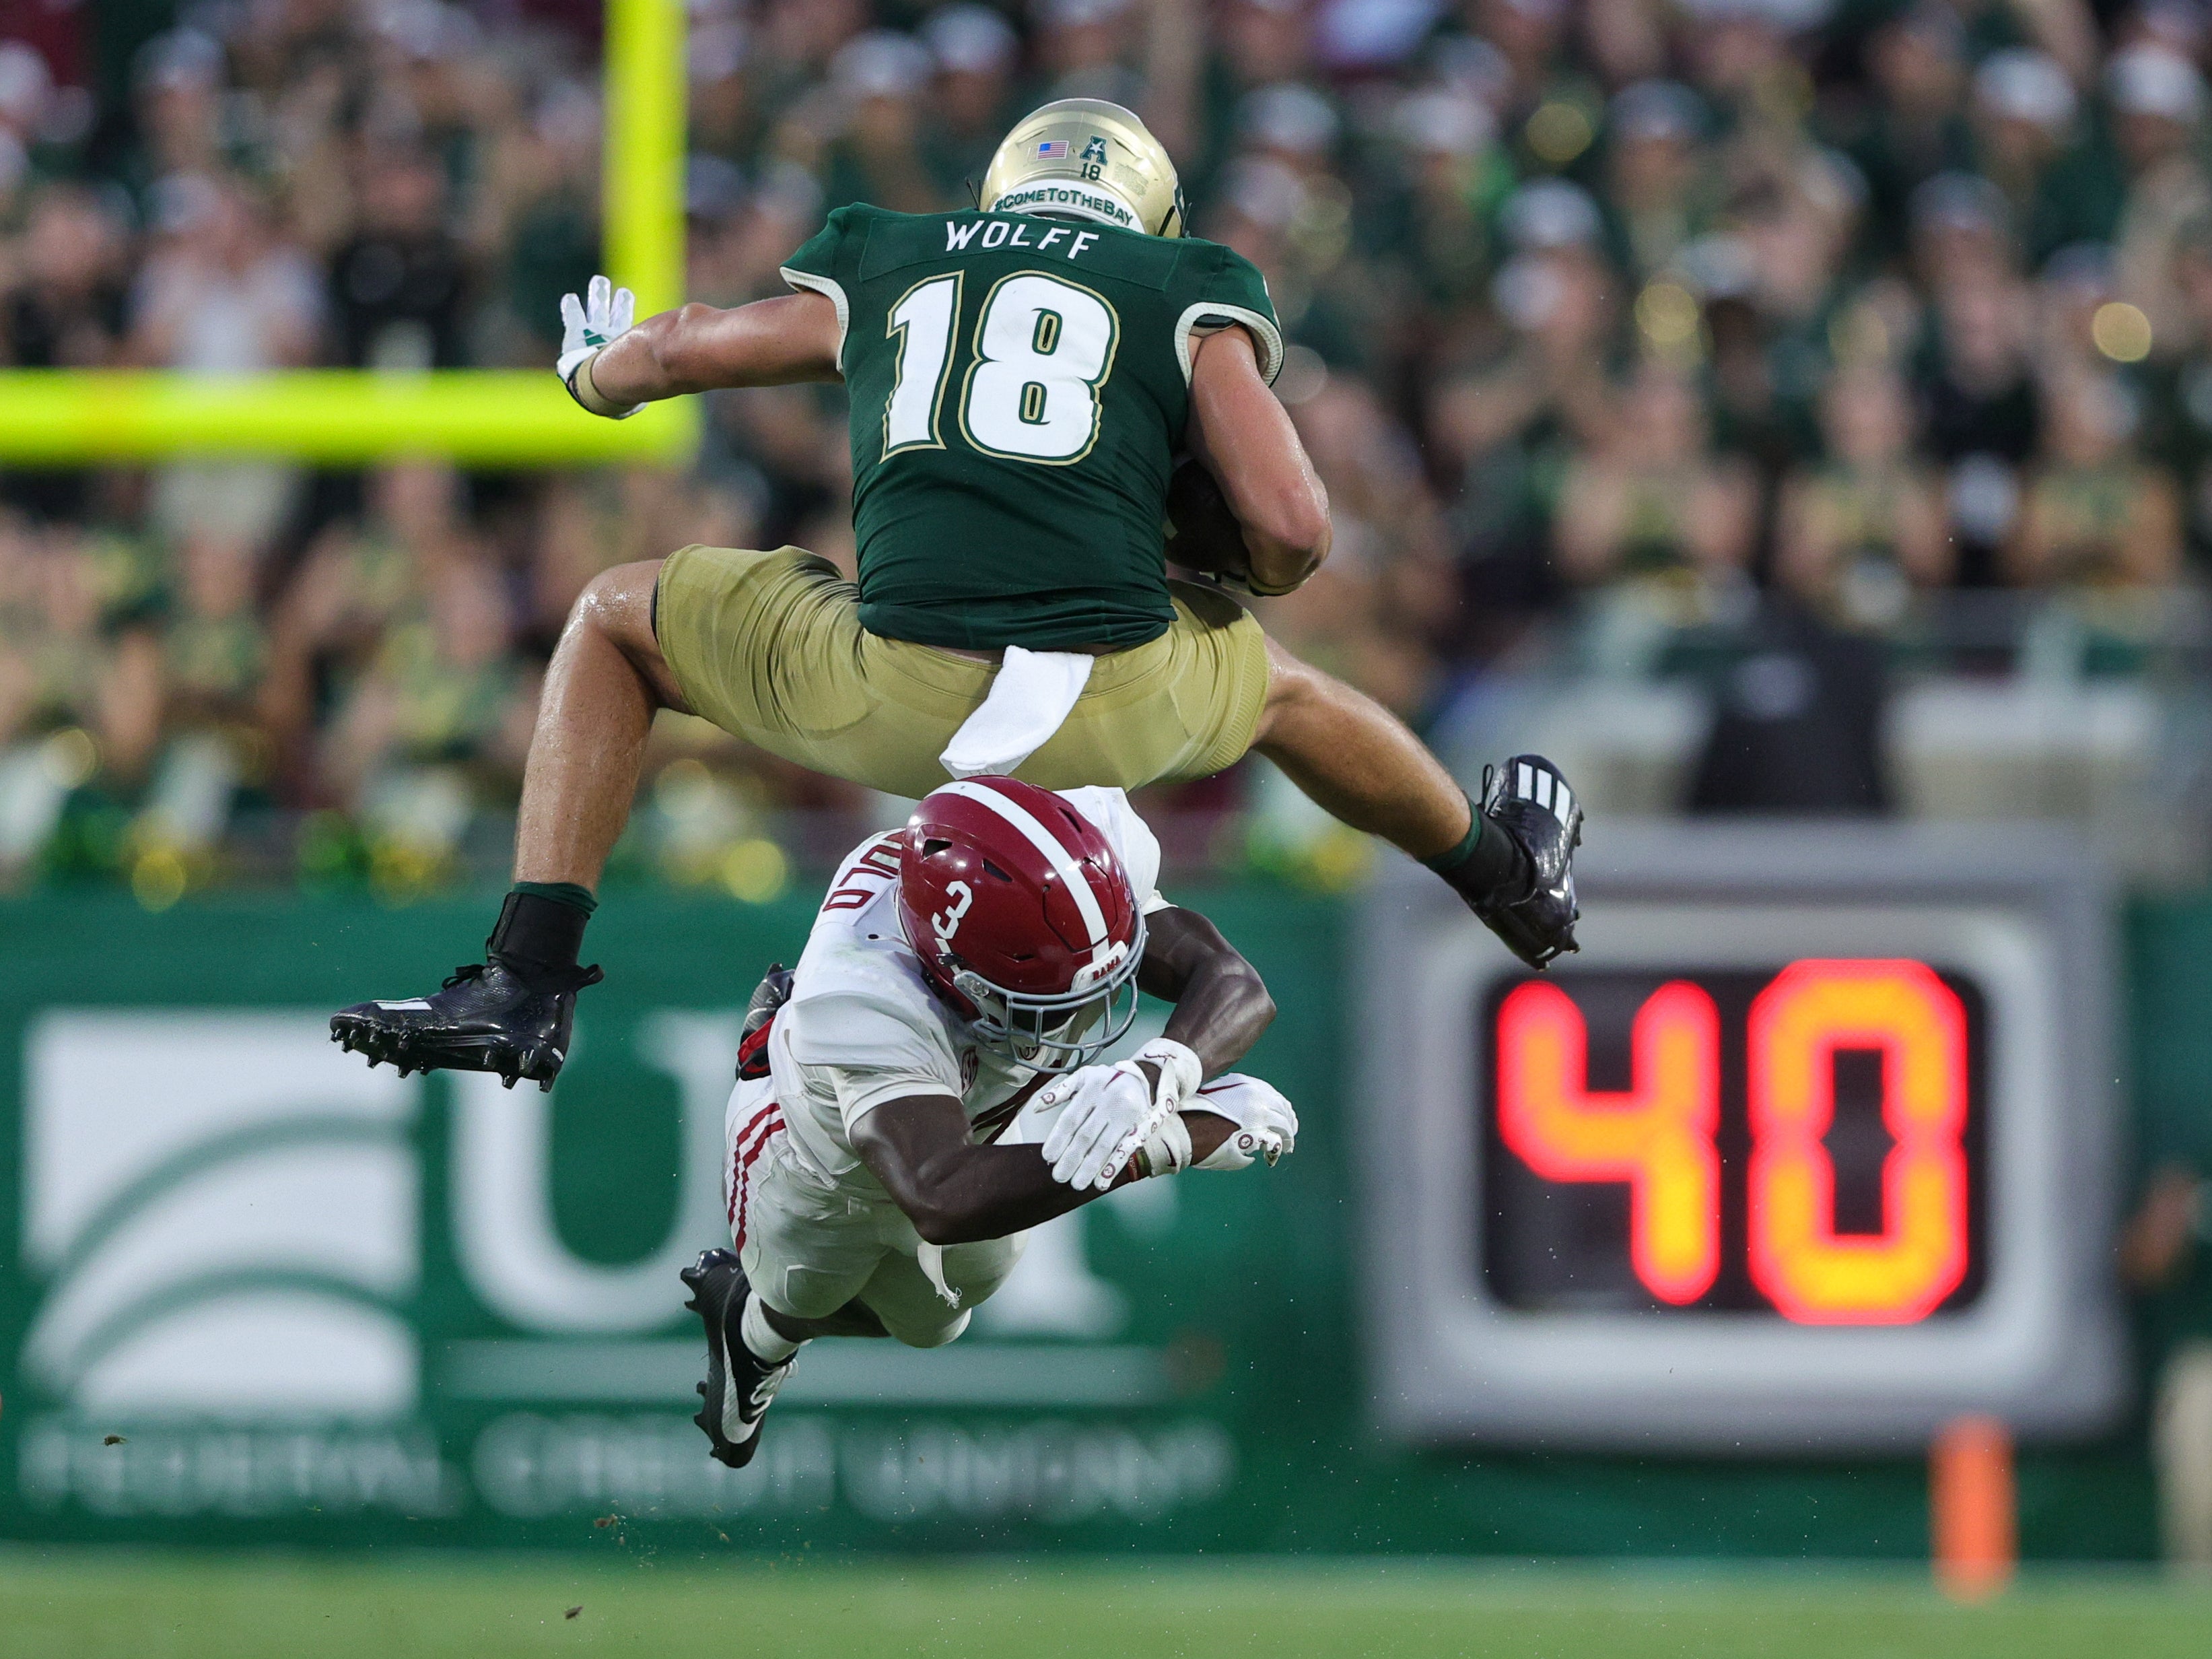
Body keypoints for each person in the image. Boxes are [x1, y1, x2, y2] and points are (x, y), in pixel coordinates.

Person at [330, 98, 1581, 1092]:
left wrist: (592, 377)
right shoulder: (1180, 282)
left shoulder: (896, 248)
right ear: (1146, 208)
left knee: (615, 613)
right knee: (1288, 693)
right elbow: (1297, 525)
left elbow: (679, 346)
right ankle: (1497, 874)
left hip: (893, 692)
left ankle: (527, 978)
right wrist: (1233, 580)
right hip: (1114, 695)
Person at [685, 775, 1299, 1467]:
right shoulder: (862, 995)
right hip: (815, 1152)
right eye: (1045, 1001)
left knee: (936, 1323)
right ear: (950, 971)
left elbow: (1232, 980)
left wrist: (1159, 1071)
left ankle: (757, 1328)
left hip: (972, 1124)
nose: (1079, 1014)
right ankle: (754, 1323)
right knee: (800, 1289)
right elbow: (943, 1197)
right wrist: (1171, 1139)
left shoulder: (1080, 859)